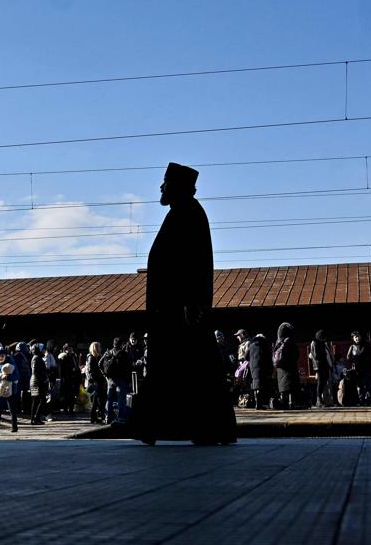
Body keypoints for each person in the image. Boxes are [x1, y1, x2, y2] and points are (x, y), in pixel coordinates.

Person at [128, 163, 235, 446]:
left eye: (165, 182)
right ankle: (200, 427)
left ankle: (192, 427)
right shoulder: (182, 213)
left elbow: (196, 262)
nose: (161, 188)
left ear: (177, 186)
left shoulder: (189, 213)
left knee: (187, 370)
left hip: (180, 312)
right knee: (190, 370)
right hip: (172, 311)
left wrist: (193, 301)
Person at [100, 337, 132, 424]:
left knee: (109, 399)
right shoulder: (123, 353)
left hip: (110, 380)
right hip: (121, 380)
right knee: (121, 399)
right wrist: (128, 380)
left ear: (113, 344)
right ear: (121, 344)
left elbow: (100, 363)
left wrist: (105, 375)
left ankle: (107, 417)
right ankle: (121, 418)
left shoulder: (108, 352)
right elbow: (128, 367)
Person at [0, 345, 19, 434]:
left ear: (5, 356)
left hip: (10, 390)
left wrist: (8, 377)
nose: (1, 358)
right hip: (0, 390)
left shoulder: (11, 364)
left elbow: (17, 376)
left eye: (2, 356)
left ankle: (14, 426)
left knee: (12, 408)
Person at [273, 322, 300, 410]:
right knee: (291, 388)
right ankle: (291, 403)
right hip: (290, 367)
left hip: (280, 369)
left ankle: (283, 404)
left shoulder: (278, 342)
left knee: (283, 388)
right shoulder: (290, 341)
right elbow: (296, 354)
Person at [247, 332, 273, 409]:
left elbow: (246, 357)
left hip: (253, 367)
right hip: (263, 367)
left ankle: (257, 403)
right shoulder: (265, 345)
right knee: (262, 385)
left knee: (255, 384)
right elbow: (269, 358)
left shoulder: (251, 345)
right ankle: (260, 404)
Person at [309, 330, 335, 408]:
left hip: (325, 365)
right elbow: (315, 355)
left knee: (323, 383)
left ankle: (322, 400)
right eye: (323, 338)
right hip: (319, 366)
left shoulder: (323, 343)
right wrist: (323, 354)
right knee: (320, 383)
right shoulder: (314, 342)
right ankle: (318, 400)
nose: (324, 339)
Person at [83, 341, 107, 424]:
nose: (100, 348)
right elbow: (89, 370)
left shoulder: (98, 357)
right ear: (95, 348)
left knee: (98, 400)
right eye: (99, 347)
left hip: (99, 380)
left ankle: (95, 417)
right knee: (97, 399)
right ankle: (95, 417)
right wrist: (92, 381)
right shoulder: (91, 357)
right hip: (95, 381)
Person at [347, 331, 371, 404]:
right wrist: (354, 359)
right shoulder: (352, 347)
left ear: (361, 337)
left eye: (358, 336)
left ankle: (368, 400)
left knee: (367, 385)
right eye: (355, 337)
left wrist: (366, 359)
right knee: (359, 385)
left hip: (367, 368)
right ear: (353, 338)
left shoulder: (366, 345)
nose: (357, 338)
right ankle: (361, 400)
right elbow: (348, 357)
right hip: (357, 370)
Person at [29, 343, 50, 424]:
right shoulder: (36, 358)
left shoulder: (37, 358)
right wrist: (42, 380)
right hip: (37, 382)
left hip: (35, 381)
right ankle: (36, 418)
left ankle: (33, 419)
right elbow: (35, 371)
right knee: (42, 400)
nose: (45, 351)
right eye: (43, 349)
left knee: (36, 401)